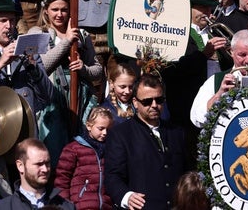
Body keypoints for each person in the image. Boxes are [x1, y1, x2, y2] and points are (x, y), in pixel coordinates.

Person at [28, 0, 102, 162]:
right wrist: (67, 41)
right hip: (52, 97)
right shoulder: (38, 33)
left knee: (82, 145)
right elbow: (42, 67)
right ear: (46, 11)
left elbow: (98, 70)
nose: (59, 14)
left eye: (64, 9)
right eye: (55, 9)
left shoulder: (82, 34)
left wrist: (83, 69)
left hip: (80, 96)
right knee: (56, 149)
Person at [105, 74, 186, 210]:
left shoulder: (177, 132)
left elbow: (186, 171)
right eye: (147, 101)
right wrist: (126, 196)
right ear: (135, 102)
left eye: (159, 100)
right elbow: (112, 176)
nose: (154, 105)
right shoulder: (120, 134)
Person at [190, 29, 248, 127]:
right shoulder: (215, 80)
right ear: (231, 52)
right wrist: (219, 94)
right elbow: (197, 119)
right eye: (242, 55)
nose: (247, 61)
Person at [0, 138, 76, 210]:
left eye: (47, 163)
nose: (45, 169)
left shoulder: (66, 207)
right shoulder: (2, 208)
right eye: (39, 164)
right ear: (20, 166)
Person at [55, 107, 114, 209]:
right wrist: (66, 206)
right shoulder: (73, 149)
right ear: (89, 126)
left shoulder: (111, 150)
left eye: (107, 129)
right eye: (101, 128)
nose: (105, 133)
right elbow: (61, 180)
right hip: (81, 205)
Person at [101, 57, 137, 125]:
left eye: (131, 87)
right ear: (112, 84)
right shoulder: (105, 109)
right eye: (122, 87)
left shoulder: (137, 106)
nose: (127, 91)